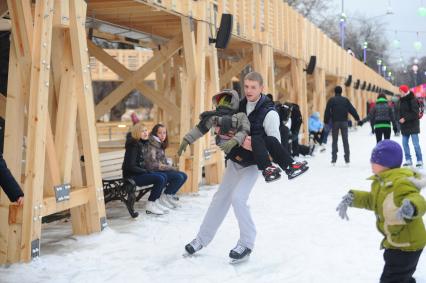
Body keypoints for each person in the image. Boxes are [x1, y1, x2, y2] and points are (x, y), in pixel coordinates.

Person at [184, 72, 307, 263]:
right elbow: (225, 124)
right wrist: (220, 129)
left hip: (253, 164)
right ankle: (201, 239)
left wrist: (258, 147)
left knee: (238, 198)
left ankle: (246, 243)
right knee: (219, 199)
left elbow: (277, 145)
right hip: (235, 161)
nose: (249, 91)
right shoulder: (238, 104)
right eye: (246, 87)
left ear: (261, 88)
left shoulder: (270, 113)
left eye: (253, 87)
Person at [336, 140, 425, 283]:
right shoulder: (381, 182)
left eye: (374, 160)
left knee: (391, 279)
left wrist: (412, 206)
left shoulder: (400, 182)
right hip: (396, 242)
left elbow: (416, 198)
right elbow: (373, 201)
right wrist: (353, 198)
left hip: (407, 244)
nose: (371, 162)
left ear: (386, 164)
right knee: (399, 275)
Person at [177, 89, 308, 182]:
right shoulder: (213, 117)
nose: (224, 105)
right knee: (257, 138)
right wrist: (186, 140)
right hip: (237, 152)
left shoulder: (239, 116)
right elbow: (200, 129)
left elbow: (245, 130)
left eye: (227, 102)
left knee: (270, 140)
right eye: (222, 103)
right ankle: (268, 168)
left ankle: (289, 165)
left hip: (246, 148)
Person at [122, 122, 170, 215]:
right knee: (159, 178)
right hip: (132, 176)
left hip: (139, 173)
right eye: (142, 131)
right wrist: (146, 171)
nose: (145, 133)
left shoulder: (143, 143)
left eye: (146, 130)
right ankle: (150, 205)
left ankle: (154, 202)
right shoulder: (133, 145)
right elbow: (130, 166)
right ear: (136, 133)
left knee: (163, 176)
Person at [146, 124, 187, 206]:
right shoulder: (152, 145)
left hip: (160, 170)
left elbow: (162, 160)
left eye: (164, 133)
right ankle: (165, 197)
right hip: (153, 171)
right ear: (155, 134)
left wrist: (169, 165)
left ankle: (169, 195)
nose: (162, 135)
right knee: (178, 177)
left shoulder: (159, 143)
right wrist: (169, 167)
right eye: (160, 133)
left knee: (184, 175)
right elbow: (152, 164)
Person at [324, 85, 360, 165]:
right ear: (341, 92)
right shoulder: (345, 100)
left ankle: (334, 159)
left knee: (334, 141)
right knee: (345, 140)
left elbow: (327, 111)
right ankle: (347, 159)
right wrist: (357, 118)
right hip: (344, 122)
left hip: (335, 122)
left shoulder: (331, 100)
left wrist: (326, 121)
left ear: (335, 92)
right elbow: (352, 109)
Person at [398, 85, 423, 168]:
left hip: (413, 125)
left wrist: (405, 118)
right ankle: (408, 160)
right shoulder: (401, 100)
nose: (399, 93)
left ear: (404, 91)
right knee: (405, 144)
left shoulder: (412, 99)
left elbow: (415, 113)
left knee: (415, 144)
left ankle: (419, 160)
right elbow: (399, 112)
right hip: (404, 126)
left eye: (401, 91)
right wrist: (399, 118)